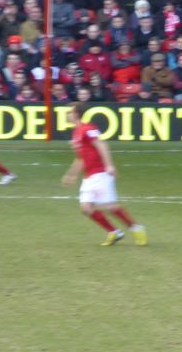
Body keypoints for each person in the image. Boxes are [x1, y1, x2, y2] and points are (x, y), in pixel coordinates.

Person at [62, 101, 147, 246]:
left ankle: (136, 228)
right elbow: (81, 157)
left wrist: (109, 165)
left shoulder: (88, 128)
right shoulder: (76, 133)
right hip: (88, 177)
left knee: (109, 206)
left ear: (76, 114)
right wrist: (72, 174)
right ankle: (114, 232)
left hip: (100, 174)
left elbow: (102, 144)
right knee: (86, 208)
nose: (67, 114)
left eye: (69, 112)